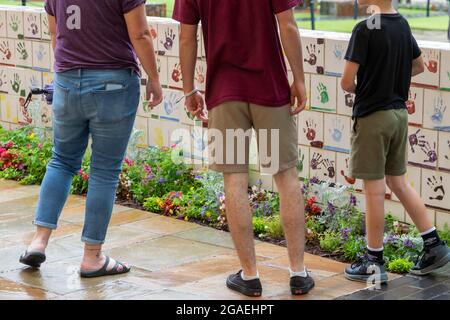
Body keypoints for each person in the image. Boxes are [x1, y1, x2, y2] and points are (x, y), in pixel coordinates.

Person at [174, 0, 314, 297]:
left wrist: (189, 89)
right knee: (285, 177)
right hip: (270, 89)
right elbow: (287, 24)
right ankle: (298, 273)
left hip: (224, 94)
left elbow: (187, 37)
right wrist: (299, 79)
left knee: (234, 179)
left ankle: (250, 276)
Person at [19, 0, 163, 278]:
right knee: (105, 172)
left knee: (61, 161)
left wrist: (68, 74)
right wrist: (154, 78)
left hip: (67, 81)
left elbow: (54, 33)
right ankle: (92, 257)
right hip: (114, 83)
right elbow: (140, 34)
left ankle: (38, 240)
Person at [341, 0, 450, 283]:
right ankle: (434, 245)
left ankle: (373, 260)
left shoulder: (364, 28)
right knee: (398, 182)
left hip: (372, 117)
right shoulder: (402, 24)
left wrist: (367, 86)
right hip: (399, 114)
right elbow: (419, 66)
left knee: (374, 190)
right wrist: (391, 78)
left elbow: (345, 81)